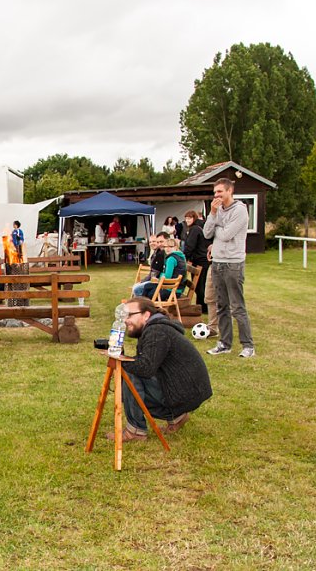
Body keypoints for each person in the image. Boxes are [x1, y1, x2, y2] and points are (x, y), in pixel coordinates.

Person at [106, 296, 212, 442]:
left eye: (130, 315)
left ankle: (136, 431)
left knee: (129, 374)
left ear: (146, 315)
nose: (125, 320)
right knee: (132, 370)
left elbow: (145, 369)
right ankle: (177, 418)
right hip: (187, 391)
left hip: (184, 394)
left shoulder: (157, 331)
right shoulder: (156, 328)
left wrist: (119, 362)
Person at [202, 178, 254, 358]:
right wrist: (213, 214)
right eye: (215, 192)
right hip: (217, 262)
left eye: (220, 192)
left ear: (230, 191)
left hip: (233, 263)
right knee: (221, 305)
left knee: (237, 306)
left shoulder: (240, 210)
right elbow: (206, 233)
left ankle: (248, 345)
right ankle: (224, 343)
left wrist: (217, 232)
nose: (216, 195)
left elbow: (225, 235)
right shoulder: (216, 211)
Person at [182, 210, 211, 312]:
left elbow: (190, 245)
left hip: (200, 260)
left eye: (189, 218)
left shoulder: (194, 229)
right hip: (201, 259)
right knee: (200, 284)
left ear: (194, 218)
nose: (187, 220)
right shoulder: (198, 228)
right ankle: (201, 306)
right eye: (186, 218)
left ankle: (204, 307)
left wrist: (183, 257)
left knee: (199, 284)